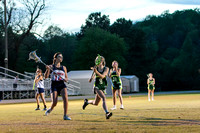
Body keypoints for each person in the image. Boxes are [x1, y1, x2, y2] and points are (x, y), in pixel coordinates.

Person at [82, 55, 112, 119]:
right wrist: (91, 78)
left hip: (102, 86)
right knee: (103, 98)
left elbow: (103, 76)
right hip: (97, 86)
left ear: (102, 61)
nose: (97, 61)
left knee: (95, 103)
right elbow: (93, 75)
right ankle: (107, 113)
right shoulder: (96, 68)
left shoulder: (106, 68)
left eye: (98, 60)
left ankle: (87, 102)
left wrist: (96, 71)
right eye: (96, 60)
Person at [44, 52, 71, 120]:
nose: (61, 58)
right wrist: (47, 70)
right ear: (55, 58)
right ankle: (50, 109)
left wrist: (65, 79)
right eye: (59, 56)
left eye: (61, 56)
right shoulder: (51, 67)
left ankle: (65, 115)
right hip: (54, 85)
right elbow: (46, 77)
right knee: (55, 102)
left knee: (65, 98)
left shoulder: (64, 67)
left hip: (62, 84)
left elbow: (66, 77)